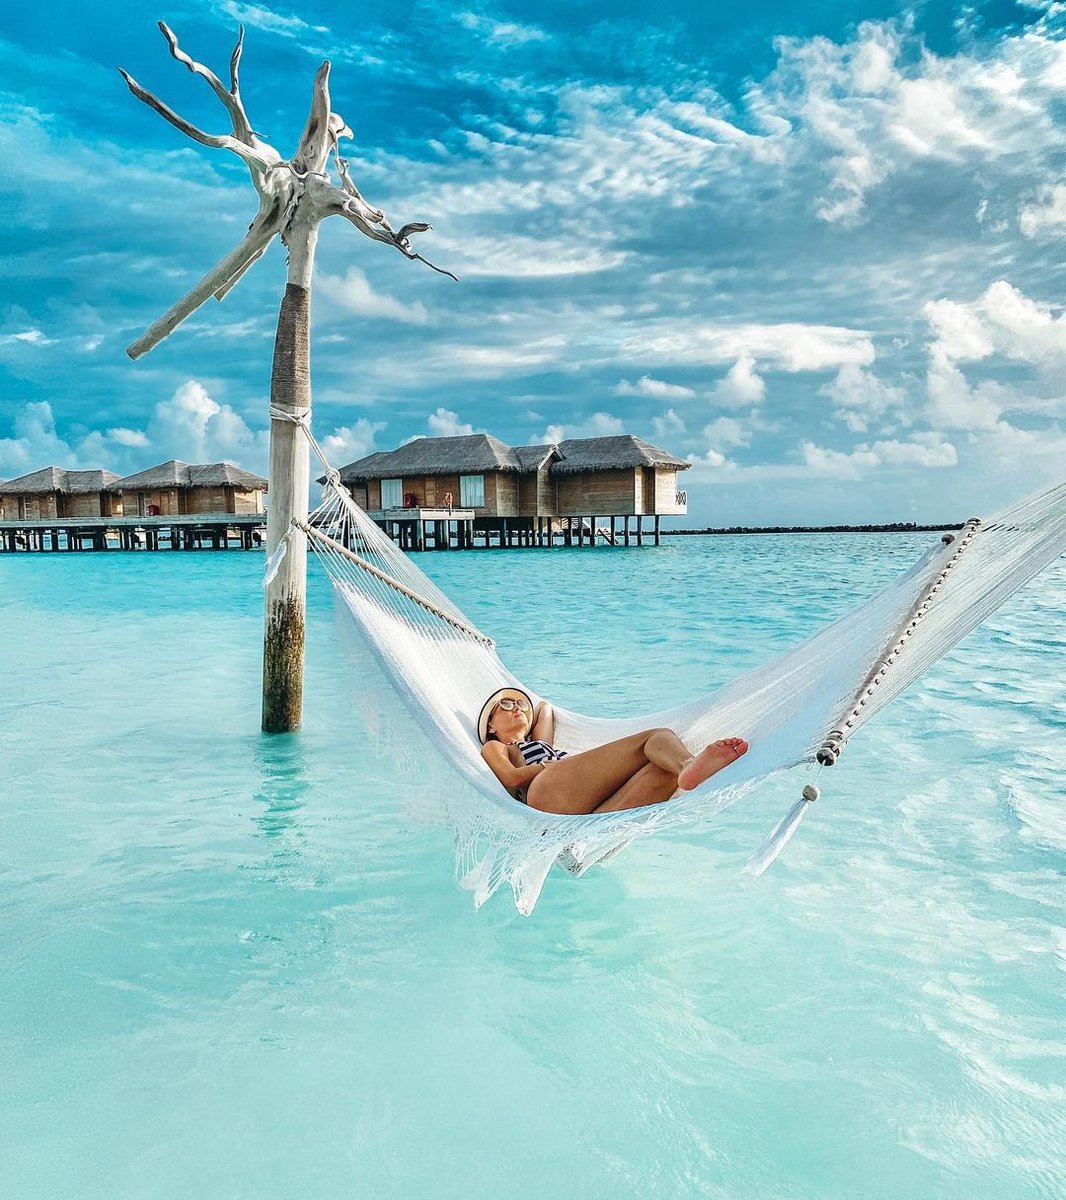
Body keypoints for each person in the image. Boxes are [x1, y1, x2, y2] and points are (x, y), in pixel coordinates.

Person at [477, 687, 748, 814]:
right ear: (490, 726)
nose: (517, 708)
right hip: (545, 791)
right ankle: (688, 764)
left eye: (519, 704)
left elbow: (543, 708)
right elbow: (510, 779)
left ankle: (686, 770)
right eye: (507, 705)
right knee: (657, 737)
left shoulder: (541, 743)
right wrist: (549, 766)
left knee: (663, 769)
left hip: (581, 808)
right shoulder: (497, 746)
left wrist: (526, 714)